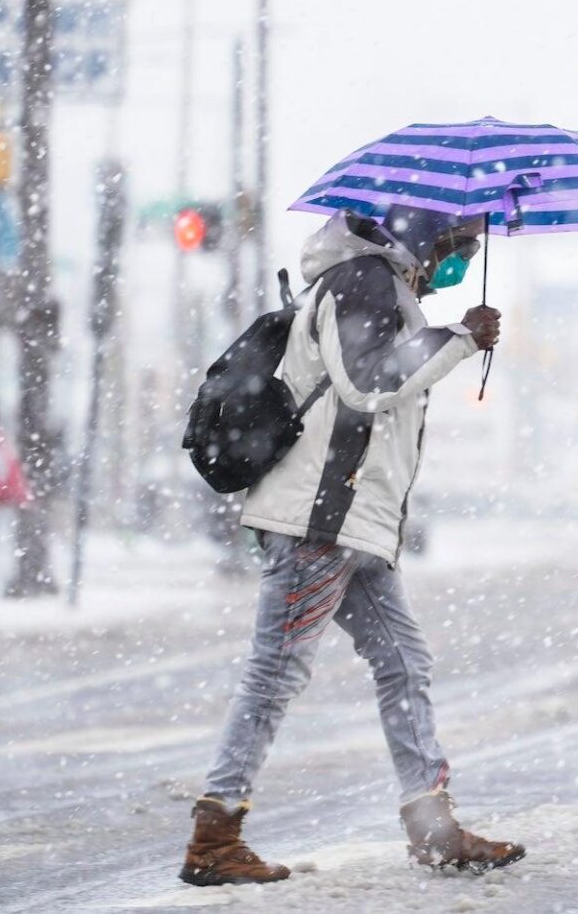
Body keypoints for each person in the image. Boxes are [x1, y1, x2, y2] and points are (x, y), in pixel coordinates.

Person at [180, 205, 525, 887]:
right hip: (321, 520)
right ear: (425, 229)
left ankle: (435, 830)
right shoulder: (361, 280)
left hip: (352, 520)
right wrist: (459, 336)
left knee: (403, 661)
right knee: (275, 673)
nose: (464, 256)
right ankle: (214, 836)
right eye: (461, 241)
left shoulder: (384, 286)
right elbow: (367, 384)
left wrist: (442, 330)